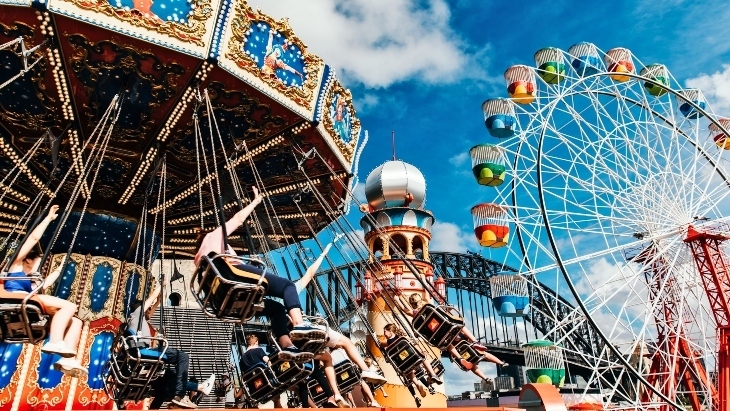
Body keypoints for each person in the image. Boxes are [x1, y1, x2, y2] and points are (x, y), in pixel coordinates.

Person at [194, 187, 321, 339]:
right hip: (237, 278)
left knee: (277, 309)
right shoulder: (213, 235)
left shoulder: (199, 260)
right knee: (288, 286)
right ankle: (300, 324)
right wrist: (255, 201)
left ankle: (287, 346)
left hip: (226, 300)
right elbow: (238, 219)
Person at [0, 205, 86, 376]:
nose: (40, 267)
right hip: (18, 299)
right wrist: (47, 219)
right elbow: (32, 239)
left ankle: (67, 359)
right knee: (69, 307)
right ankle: (55, 341)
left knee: (76, 322)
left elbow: (45, 283)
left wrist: (59, 269)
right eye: (39, 262)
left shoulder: (30, 282)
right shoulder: (15, 265)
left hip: (28, 300)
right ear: (28, 261)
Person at [293, 243, 389, 389]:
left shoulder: (273, 301)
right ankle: (365, 370)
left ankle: (335, 395)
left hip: (293, 343)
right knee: (346, 343)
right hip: (308, 331)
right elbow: (310, 273)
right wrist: (323, 253)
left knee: (326, 358)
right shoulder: (290, 289)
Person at [128, 275, 197, 409]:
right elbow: (152, 297)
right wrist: (162, 285)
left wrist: (160, 300)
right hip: (145, 352)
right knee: (183, 356)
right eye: (147, 308)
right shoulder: (136, 314)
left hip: (143, 352)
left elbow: (151, 310)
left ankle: (171, 400)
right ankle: (180, 394)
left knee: (166, 382)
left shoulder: (137, 322)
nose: (149, 311)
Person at [395, 292, 508, 373]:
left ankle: (459, 358)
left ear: (412, 304)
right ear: (420, 299)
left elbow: (402, 309)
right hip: (445, 327)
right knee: (461, 326)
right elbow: (427, 294)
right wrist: (423, 280)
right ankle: (475, 342)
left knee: (447, 344)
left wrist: (397, 298)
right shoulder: (428, 305)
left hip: (437, 336)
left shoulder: (414, 313)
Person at [380, 324, 437, 398]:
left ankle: (417, 384)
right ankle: (432, 375)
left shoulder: (388, 341)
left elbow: (381, 344)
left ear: (390, 331)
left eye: (385, 331)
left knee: (408, 371)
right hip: (412, 357)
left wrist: (377, 340)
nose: (384, 334)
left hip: (403, 363)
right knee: (422, 358)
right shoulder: (400, 337)